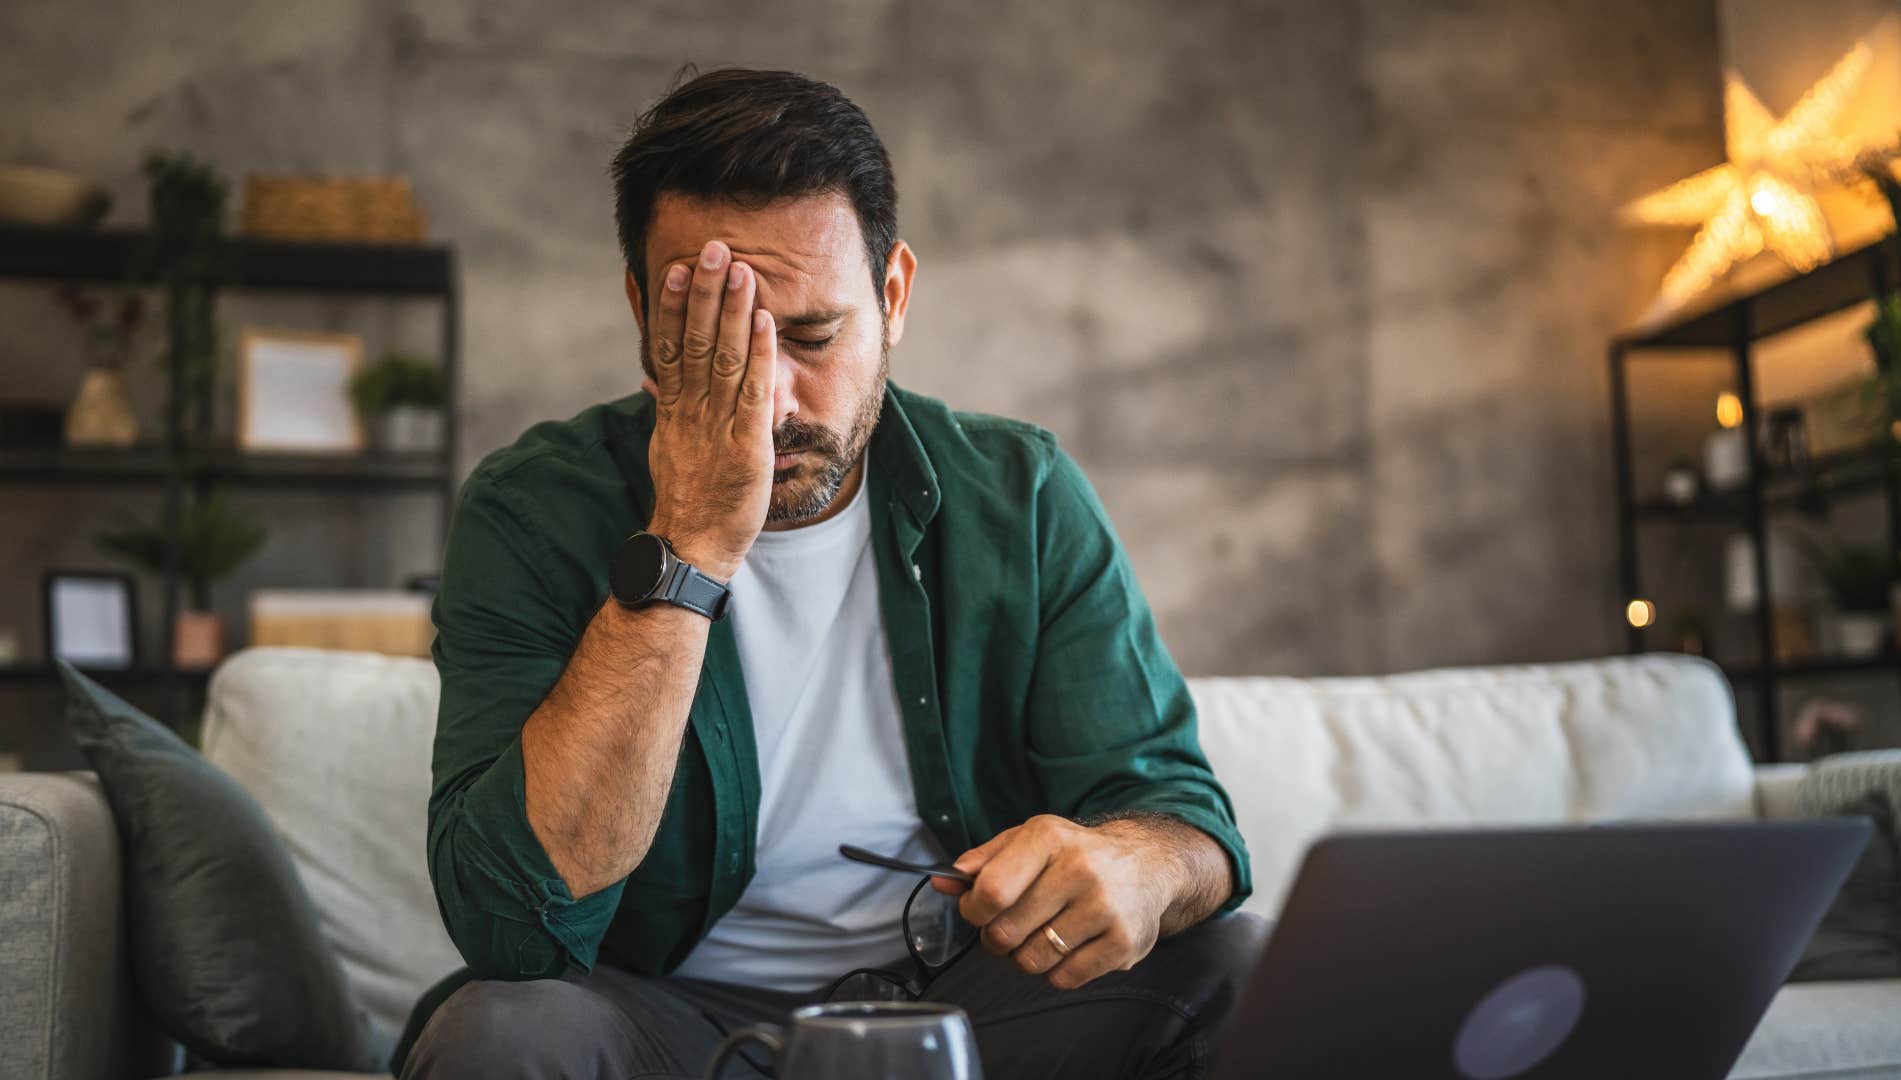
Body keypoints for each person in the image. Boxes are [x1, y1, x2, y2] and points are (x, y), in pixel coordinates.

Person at [399, 65, 1264, 1079]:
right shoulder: (531, 508)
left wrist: (1137, 866)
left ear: (893, 296)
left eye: (813, 336)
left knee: (1228, 962)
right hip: (665, 1017)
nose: (771, 401)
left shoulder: (1019, 493)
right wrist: (687, 545)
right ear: (640, 306)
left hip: (965, 1007)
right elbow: (515, 931)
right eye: (713, 340)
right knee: (499, 1037)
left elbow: (1186, 821)